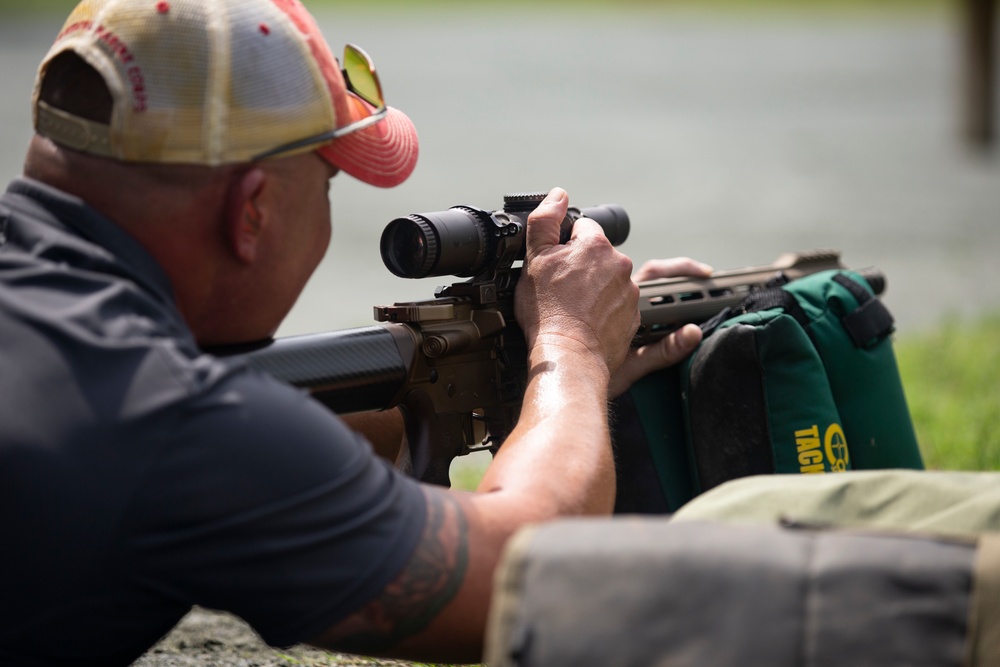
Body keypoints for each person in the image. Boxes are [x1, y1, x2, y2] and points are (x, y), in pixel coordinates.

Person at [0, 0, 710, 664]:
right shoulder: (165, 417)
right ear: (252, 212)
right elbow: (530, 573)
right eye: (328, 185)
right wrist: (572, 348)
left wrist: (528, 392)